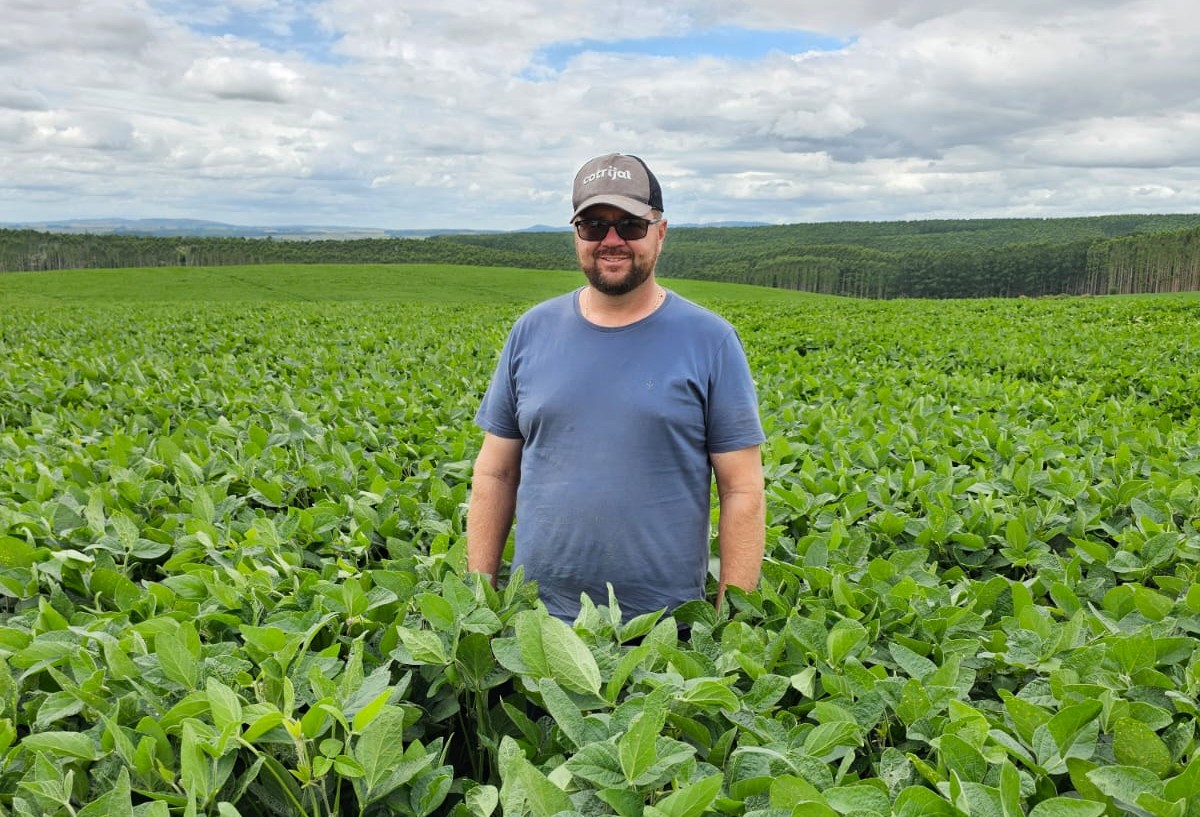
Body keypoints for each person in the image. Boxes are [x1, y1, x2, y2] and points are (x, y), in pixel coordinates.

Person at [466, 152, 765, 624]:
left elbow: (742, 490)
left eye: (629, 225)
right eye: (593, 225)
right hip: (536, 624)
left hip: (665, 628)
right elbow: (495, 475)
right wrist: (480, 602)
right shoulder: (531, 332)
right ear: (576, 235)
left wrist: (730, 623)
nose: (611, 240)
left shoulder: (711, 341)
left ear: (660, 232)